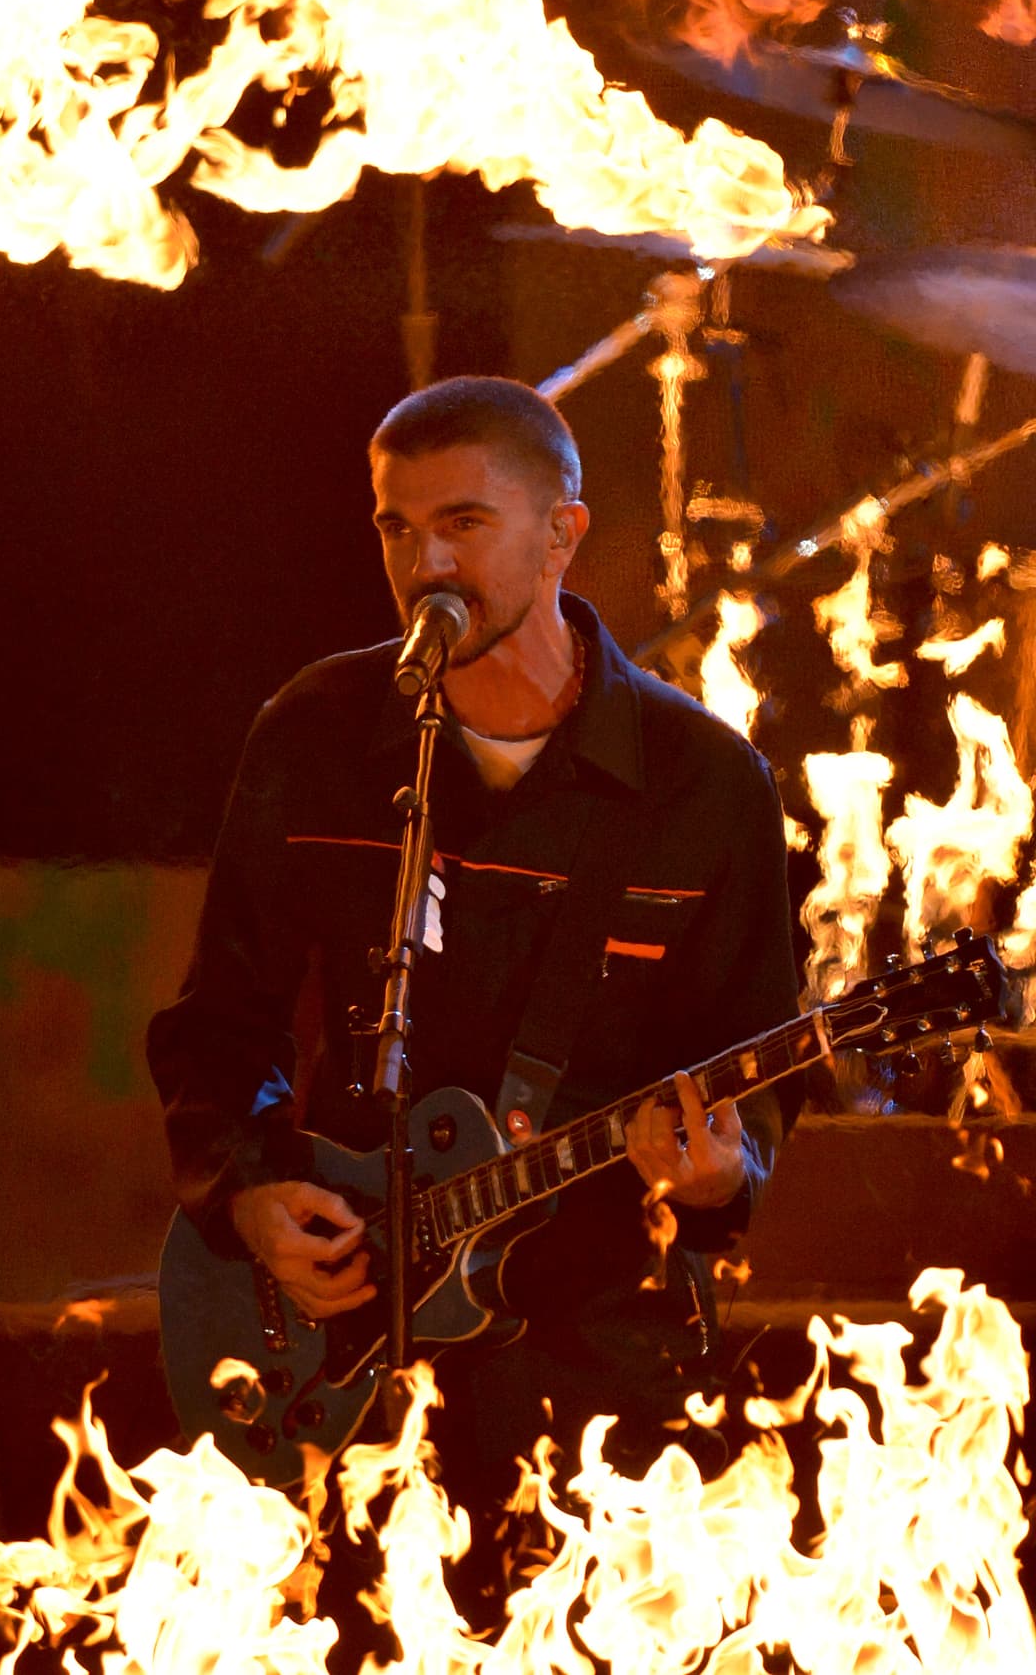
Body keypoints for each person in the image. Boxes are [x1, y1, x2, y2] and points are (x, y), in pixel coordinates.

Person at [147, 374, 799, 1523]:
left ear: (562, 535)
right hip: (339, 1339)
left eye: (462, 523)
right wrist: (246, 1196)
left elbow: (765, 1074)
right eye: (396, 527)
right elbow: (219, 1020)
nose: (423, 564)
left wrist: (716, 1176)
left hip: (597, 1360)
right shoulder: (318, 732)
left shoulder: (701, 782)